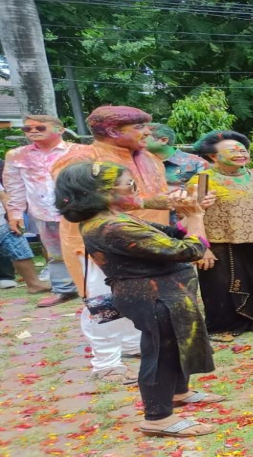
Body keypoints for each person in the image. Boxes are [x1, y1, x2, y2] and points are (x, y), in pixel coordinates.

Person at [55, 161, 221, 438]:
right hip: (153, 297)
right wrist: (197, 218)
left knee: (175, 344)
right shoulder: (111, 226)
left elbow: (172, 234)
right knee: (161, 353)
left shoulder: (118, 218)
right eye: (130, 185)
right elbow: (191, 248)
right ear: (104, 192)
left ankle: (179, 392)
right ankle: (157, 418)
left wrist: (192, 212)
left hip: (163, 293)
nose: (136, 190)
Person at [51, 105, 175, 383]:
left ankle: (132, 345)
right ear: (112, 131)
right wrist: (146, 202)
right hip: (97, 243)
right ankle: (106, 363)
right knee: (102, 301)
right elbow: (76, 200)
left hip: (144, 240)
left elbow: (157, 196)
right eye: (140, 127)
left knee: (139, 295)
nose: (148, 132)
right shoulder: (82, 159)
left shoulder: (150, 158)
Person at [195, 131, 253, 341]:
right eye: (232, 150)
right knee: (219, 286)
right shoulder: (203, 179)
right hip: (220, 241)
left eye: (243, 150)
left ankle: (250, 318)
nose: (240, 154)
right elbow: (192, 214)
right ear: (213, 156)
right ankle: (218, 327)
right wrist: (201, 247)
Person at [3, 115, 75, 303]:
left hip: (80, 211)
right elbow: (14, 188)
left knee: (93, 247)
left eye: (40, 128)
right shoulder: (16, 155)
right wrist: (14, 214)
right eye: (27, 129)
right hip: (44, 212)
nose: (33, 131)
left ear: (60, 130)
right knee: (54, 253)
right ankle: (64, 289)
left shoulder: (79, 152)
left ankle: (102, 288)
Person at [0, 182, 50, 294]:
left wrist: (13, 217)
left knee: (21, 252)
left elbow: (3, 197)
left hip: (2, 222)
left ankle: (34, 284)